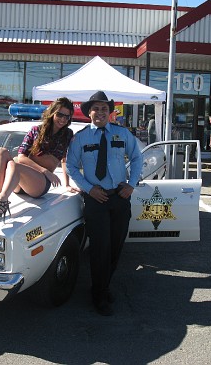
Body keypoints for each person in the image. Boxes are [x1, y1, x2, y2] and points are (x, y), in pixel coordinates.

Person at [66, 91, 142, 316]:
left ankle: (103, 286)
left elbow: (137, 158)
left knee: (115, 248)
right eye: (96, 109)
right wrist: (89, 189)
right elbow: (71, 166)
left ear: (110, 112)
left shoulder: (122, 134)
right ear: (89, 112)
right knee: (99, 249)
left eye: (104, 109)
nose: (100, 112)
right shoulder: (80, 138)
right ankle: (98, 295)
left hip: (120, 198)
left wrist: (132, 184)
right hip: (96, 200)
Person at [0, 97, 77, 220]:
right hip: (19, 180)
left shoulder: (67, 134)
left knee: (15, 165)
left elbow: (65, 159)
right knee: (1, 151)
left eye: (66, 117)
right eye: (60, 115)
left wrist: (67, 184)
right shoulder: (36, 130)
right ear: (52, 113)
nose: (63, 119)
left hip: (39, 184)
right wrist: (45, 170)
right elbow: (21, 157)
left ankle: (2, 200)